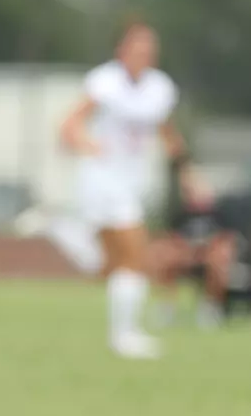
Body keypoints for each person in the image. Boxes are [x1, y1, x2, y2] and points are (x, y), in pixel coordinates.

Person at [59, 21, 184, 359]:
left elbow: (166, 130)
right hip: (101, 178)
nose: (144, 55)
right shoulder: (105, 82)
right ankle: (125, 336)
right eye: (137, 48)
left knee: (111, 267)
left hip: (131, 181)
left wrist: (185, 169)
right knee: (136, 254)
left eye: (149, 49)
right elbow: (70, 124)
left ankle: (70, 236)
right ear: (122, 50)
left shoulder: (160, 87)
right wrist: (86, 143)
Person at [154, 155, 237, 328]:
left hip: (209, 255)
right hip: (186, 256)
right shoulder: (181, 214)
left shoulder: (217, 213)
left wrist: (206, 251)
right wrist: (187, 252)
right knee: (167, 260)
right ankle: (167, 307)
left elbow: (226, 239)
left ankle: (211, 308)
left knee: (218, 264)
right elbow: (172, 237)